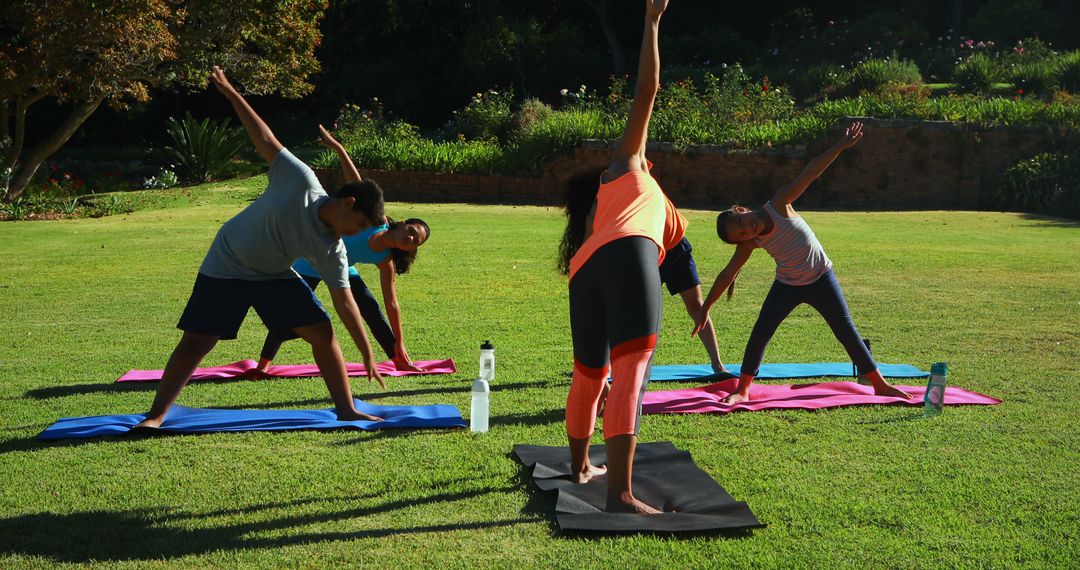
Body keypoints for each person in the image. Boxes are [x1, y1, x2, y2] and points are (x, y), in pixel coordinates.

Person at [135, 67, 387, 428]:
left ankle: (346, 409)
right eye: (359, 225)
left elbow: (345, 302)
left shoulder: (332, 248)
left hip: (272, 275)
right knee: (197, 342)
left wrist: (366, 353)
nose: (357, 233)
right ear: (348, 203)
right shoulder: (301, 180)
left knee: (323, 333)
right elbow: (265, 138)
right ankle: (156, 415)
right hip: (227, 264)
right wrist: (230, 93)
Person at [692, 121, 913, 405]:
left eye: (742, 222)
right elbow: (728, 274)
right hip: (788, 285)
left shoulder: (780, 203)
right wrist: (706, 308)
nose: (747, 229)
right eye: (742, 234)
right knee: (761, 331)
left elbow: (811, 172)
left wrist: (841, 145)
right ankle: (743, 389)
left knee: (845, 330)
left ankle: (879, 384)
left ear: (741, 210)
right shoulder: (752, 243)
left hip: (821, 277)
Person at [557, 0, 672, 514]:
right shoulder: (627, 166)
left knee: (590, 373)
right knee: (629, 372)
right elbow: (646, 92)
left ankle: (581, 466)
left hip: (588, 270)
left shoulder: (620, 198)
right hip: (628, 260)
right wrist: (651, 22)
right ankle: (621, 495)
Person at [255, 125, 431, 374]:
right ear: (402, 224)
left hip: (341, 266)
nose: (411, 239)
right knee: (290, 316)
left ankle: (398, 360)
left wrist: (399, 342)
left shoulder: (385, 260)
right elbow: (356, 182)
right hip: (312, 261)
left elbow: (391, 304)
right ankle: (262, 367)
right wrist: (339, 148)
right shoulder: (375, 219)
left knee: (370, 308)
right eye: (412, 232)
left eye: (416, 242)